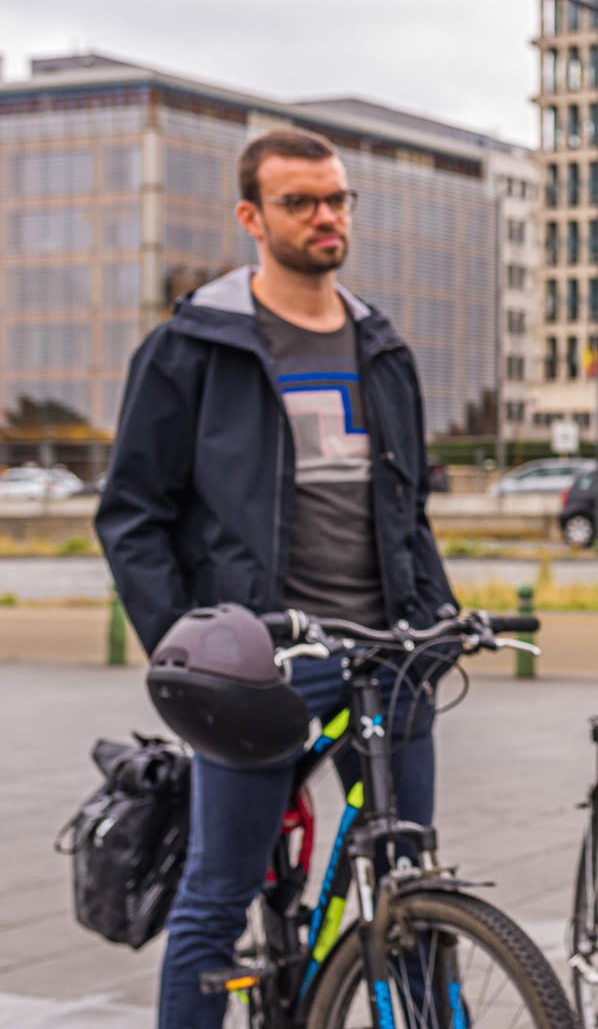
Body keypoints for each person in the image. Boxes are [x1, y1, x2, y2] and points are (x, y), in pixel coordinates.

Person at [95, 128, 455, 1028]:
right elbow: (131, 512)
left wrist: (436, 618)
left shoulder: (383, 346)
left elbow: (405, 509)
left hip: (387, 657)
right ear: (253, 217)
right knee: (218, 894)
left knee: (411, 887)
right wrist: (192, 650)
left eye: (337, 199)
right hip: (258, 666)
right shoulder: (194, 346)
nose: (326, 216)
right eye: (301, 201)